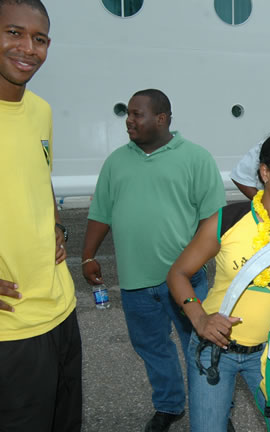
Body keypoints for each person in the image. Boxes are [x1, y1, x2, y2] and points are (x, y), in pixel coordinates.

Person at [81, 89, 226, 432]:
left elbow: (213, 221)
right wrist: (88, 255)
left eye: (137, 114)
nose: (129, 121)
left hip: (187, 281)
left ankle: (216, 411)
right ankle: (169, 406)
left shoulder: (196, 158)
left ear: (161, 119)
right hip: (134, 284)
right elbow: (101, 213)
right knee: (153, 350)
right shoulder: (116, 162)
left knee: (203, 349)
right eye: (128, 114)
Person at [167, 131, 270, 432]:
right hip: (214, 351)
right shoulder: (227, 221)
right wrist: (199, 318)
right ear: (265, 172)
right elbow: (178, 274)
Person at [0, 1, 82, 430]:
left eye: (40, 39)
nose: (28, 49)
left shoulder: (41, 111)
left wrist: (54, 225)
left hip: (62, 308)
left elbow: (39, 177)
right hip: (10, 328)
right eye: (14, 32)